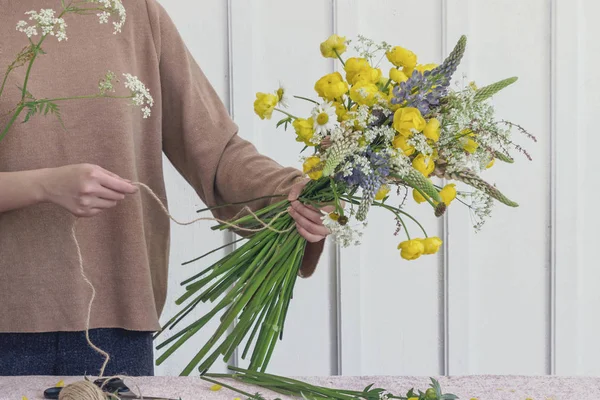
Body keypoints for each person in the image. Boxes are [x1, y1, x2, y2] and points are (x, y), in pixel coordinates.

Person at [0, 0, 329, 376]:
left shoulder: (133, 12)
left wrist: (289, 192)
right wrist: (44, 185)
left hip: (115, 324)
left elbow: (215, 151)